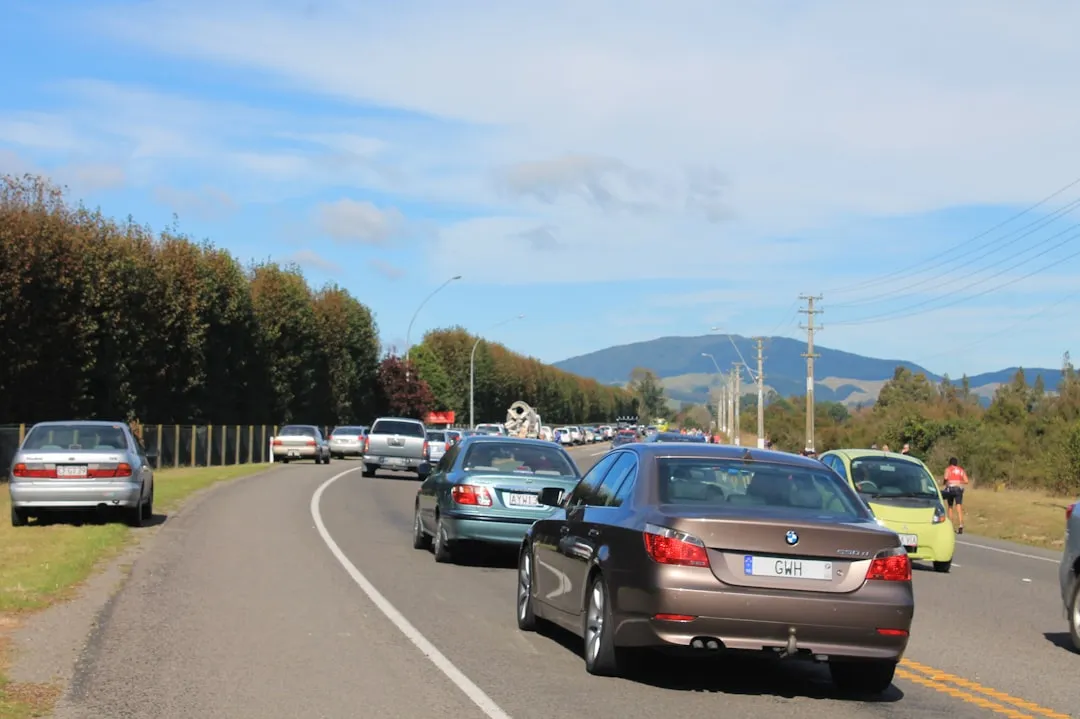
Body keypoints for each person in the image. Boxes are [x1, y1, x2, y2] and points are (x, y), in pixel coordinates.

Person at [942, 457, 970, 533]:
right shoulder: (961, 470)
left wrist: (945, 482)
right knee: (959, 506)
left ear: (950, 463)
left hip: (950, 489)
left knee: (950, 506)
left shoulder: (948, 469)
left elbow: (945, 477)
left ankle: (951, 525)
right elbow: (966, 481)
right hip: (959, 489)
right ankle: (961, 524)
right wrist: (959, 482)